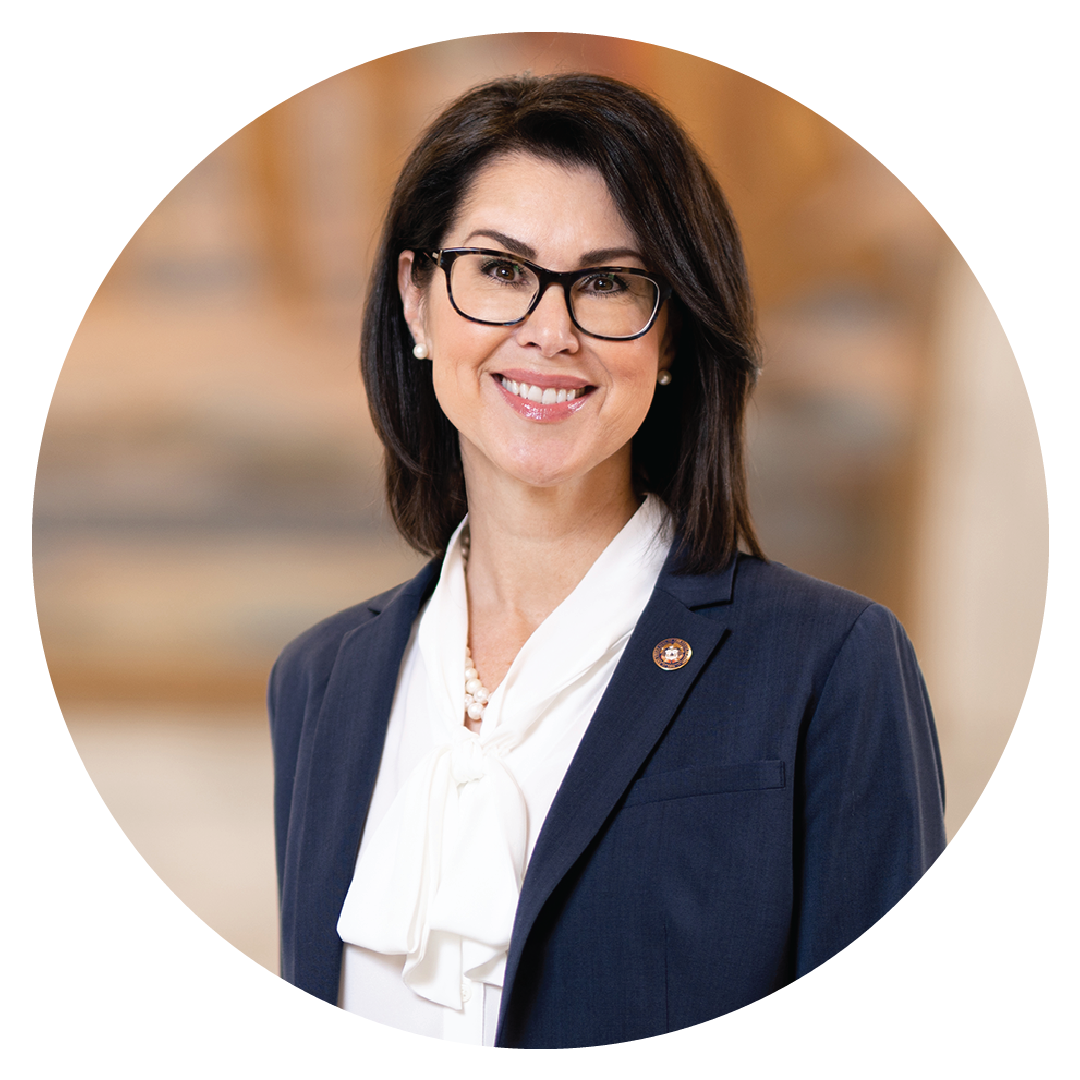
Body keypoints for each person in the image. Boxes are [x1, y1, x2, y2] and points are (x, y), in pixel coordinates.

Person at [268, 72, 946, 1049]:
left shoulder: (829, 666)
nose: (551, 329)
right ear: (417, 301)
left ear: (670, 337)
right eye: (499, 270)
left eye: (608, 282)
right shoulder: (320, 680)